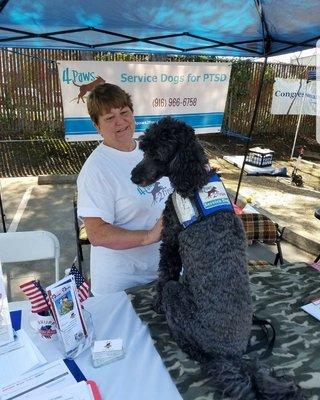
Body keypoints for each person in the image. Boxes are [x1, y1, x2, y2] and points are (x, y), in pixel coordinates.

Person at [77, 83, 172, 296]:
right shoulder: (96, 169)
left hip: (164, 272)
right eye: (109, 118)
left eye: (124, 112)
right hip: (122, 284)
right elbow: (97, 234)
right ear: (96, 125)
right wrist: (149, 236)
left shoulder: (150, 152)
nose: (120, 122)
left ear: (132, 114)